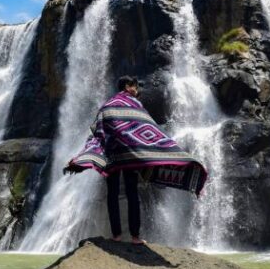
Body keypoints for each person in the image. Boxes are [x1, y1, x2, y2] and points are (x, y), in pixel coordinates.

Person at [64, 75, 208, 245]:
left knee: (113, 195)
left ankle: (116, 236)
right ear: (127, 86)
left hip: (111, 157)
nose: (137, 91)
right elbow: (148, 128)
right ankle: (135, 237)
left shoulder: (107, 105)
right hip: (131, 155)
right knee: (132, 194)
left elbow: (98, 132)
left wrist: (86, 154)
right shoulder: (135, 105)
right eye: (135, 87)